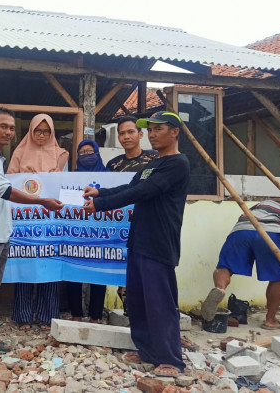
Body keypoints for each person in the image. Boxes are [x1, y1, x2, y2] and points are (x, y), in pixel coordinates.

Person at [83, 111, 189, 377]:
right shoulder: (152, 165)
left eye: (158, 129)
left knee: (160, 302)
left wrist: (101, 205)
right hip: (139, 239)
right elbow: (130, 186)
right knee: (138, 299)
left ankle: (171, 359)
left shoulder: (177, 164)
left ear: (175, 131)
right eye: (150, 129)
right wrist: (101, 192)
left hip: (159, 242)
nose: (152, 134)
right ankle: (147, 350)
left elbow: (143, 192)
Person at [0, 108, 63, 367]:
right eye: (3, 126)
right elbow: (4, 190)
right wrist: (42, 200)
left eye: (11, 128)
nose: (8, 132)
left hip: (0, 234)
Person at [8, 114, 68, 331]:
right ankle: (23, 316)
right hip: (26, 220)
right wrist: (25, 177)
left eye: (46, 131)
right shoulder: (20, 153)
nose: (42, 135)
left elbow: (66, 185)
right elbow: (9, 183)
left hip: (50, 221)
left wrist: (56, 176)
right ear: (31, 131)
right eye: (37, 131)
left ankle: (46, 315)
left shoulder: (60, 154)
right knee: (24, 263)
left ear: (52, 133)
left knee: (49, 265)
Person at [201, 199, 280, 330]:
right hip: (272, 232)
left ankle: (220, 288)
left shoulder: (264, 203)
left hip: (241, 230)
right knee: (276, 277)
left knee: (225, 266)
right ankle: (270, 320)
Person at [106, 115, 158, 315]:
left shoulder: (154, 159)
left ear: (140, 134)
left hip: (149, 224)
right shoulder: (113, 164)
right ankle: (131, 317)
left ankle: (149, 317)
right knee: (124, 272)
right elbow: (113, 192)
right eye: (122, 133)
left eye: (130, 132)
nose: (126, 136)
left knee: (149, 272)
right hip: (121, 226)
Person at [67, 139, 108, 323]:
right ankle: (76, 313)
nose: (86, 155)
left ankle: (95, 315)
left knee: (99, 271)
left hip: (101, 232)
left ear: (98, 153)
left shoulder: (108, 175)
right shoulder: (72, 176)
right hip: (76, 231)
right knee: (73, 270)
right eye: (81, 152)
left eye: (90, 151)